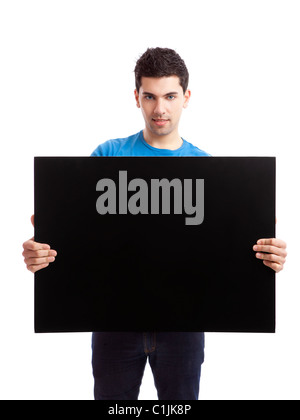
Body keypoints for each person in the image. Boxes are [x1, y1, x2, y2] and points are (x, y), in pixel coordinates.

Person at [22, 47, 287, 400]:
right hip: (114, 322)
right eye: (149, 96)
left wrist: (266, 258)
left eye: (169, 96)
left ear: (186, 97)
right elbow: (80, 242)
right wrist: (42, 251)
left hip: (184, 326)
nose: (159, 109)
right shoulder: (108, 157)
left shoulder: (207, 170)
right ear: (137, 97)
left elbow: (222, 256)